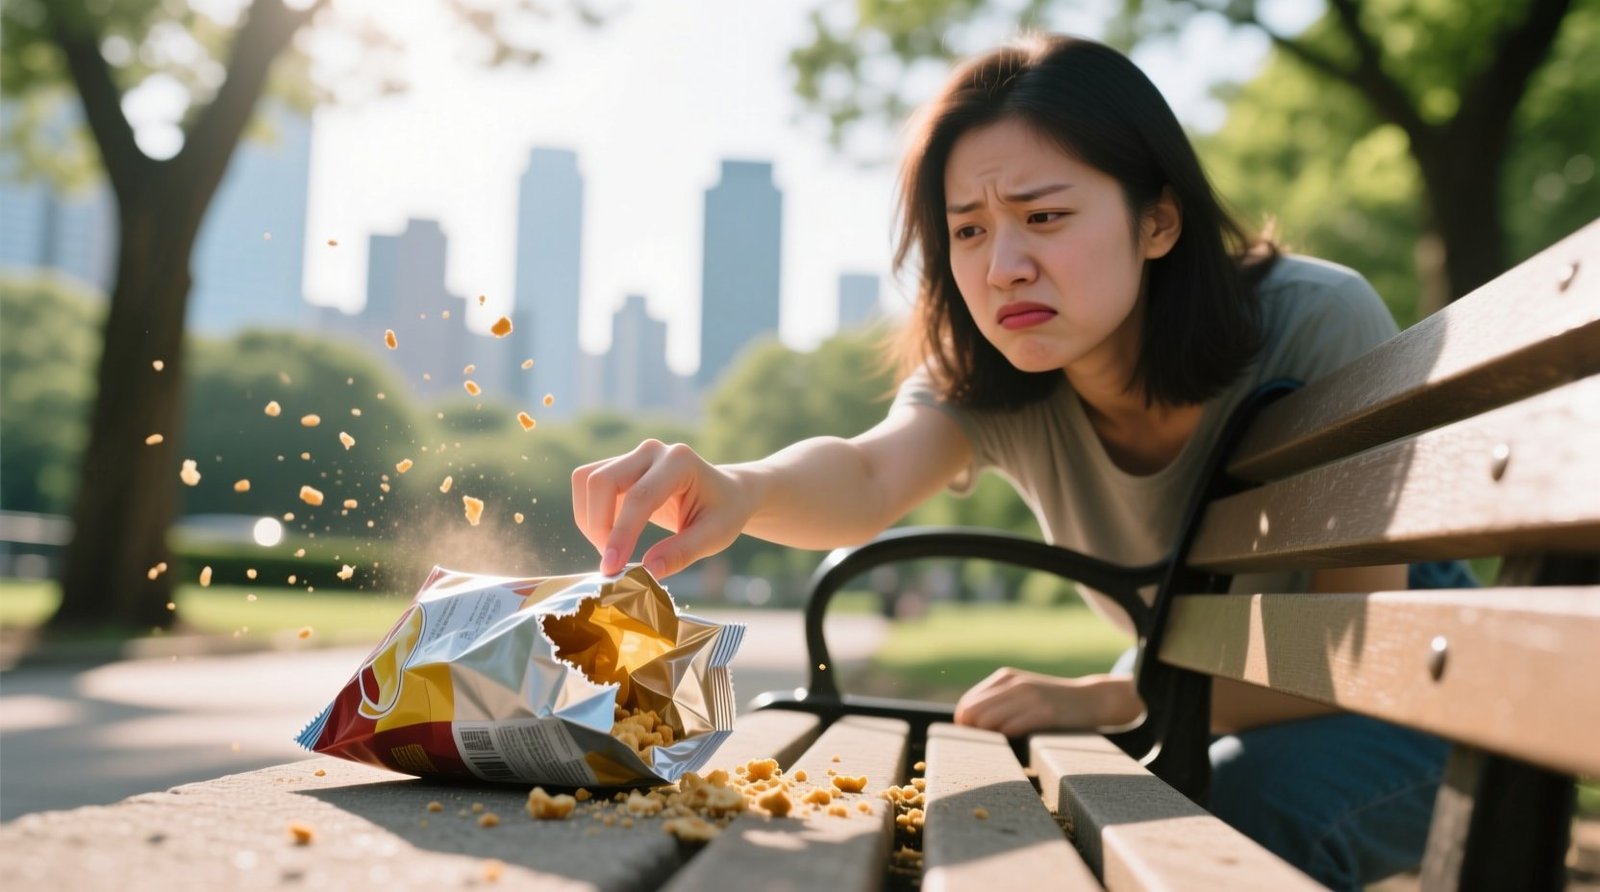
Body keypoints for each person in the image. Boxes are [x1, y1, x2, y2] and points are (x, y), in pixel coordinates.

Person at [571, 33, 1449, 889]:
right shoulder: (994, 374)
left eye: (1044, 217)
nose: (1003, 268)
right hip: (1208, 707)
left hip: (1428, 696)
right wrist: (741, 486)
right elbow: (870, 474)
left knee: (1219, 819)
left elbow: (1362, 664)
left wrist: (1112, 698)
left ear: (1158, 220)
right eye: (969, 231)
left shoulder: (1313, 321)